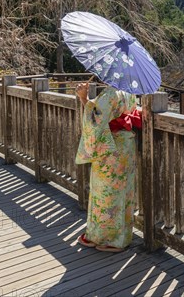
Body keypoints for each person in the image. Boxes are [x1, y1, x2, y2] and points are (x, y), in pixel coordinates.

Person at [75, 82, 138, 253]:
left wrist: (83, 98)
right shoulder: (129, 91)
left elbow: (96, 119)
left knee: (104, 193)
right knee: (123, 192)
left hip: (111, 146)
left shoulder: (110, 93)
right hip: (126, 145)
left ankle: (104, 238)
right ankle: (122, 237)